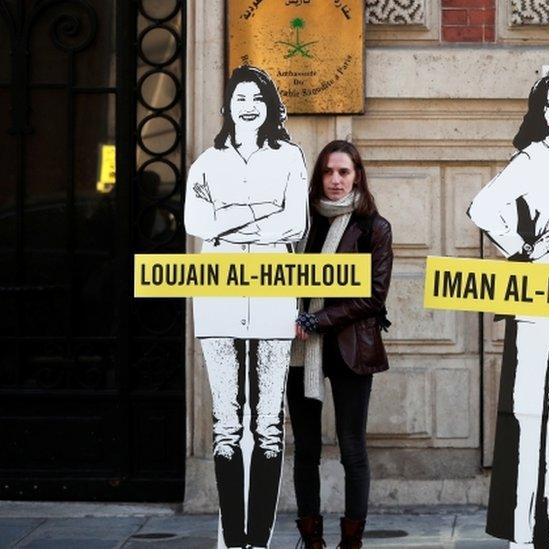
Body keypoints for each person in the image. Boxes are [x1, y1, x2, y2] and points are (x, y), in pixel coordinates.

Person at [184, 65, 308, 548]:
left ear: (270, 106)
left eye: (257, 97)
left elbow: (293, 222)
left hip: (274, 296)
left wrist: (229, 220)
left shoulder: (290, 158)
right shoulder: (207, 162)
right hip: (217, 297)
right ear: (228, 107)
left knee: (269, 423)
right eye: (240, 98)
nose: (248, 106)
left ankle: (259, 538)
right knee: (226, 423)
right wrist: (260, 214)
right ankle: (233, 539)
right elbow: (197, 221)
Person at [468, 75, 549, 548]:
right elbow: (482, 207)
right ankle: (522, 531)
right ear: (539, 111)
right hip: (536, 301)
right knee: (527, 417)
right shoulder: (529, 160)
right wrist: (524, 247)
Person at [288, 140, 393, 549]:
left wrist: (317, 320)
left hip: (350, 348)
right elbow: (282, 279)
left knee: (352, 448)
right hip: (301, 352)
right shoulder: (300, 224)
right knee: (306, 450)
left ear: (357, 176)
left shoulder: (373, 227)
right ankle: (311, 539)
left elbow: (373, 296)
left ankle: (352, 542)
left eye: (343, 172)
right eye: (328, 172)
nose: (335, 180)